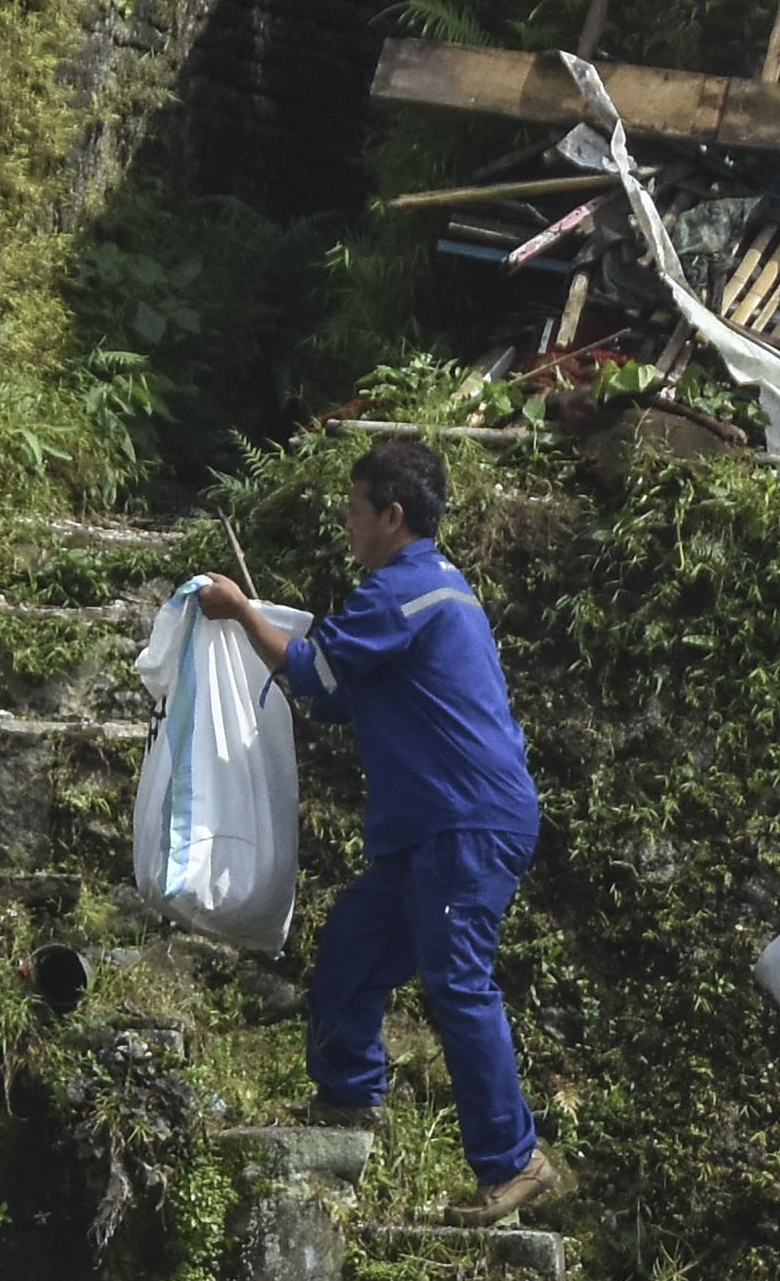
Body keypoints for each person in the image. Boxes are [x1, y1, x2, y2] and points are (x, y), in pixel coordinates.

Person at [191, 434, 566, 1226]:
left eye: (354, 511)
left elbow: (317, 673)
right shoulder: (436, 588)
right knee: (353, 951)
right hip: (433, 828)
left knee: (459, 983)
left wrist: (241, 613)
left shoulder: (400, 591)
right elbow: (335, 695)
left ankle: (516, 1160)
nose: (346, 525)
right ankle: (347, 1105)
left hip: (461, 824)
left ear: (391, 516)